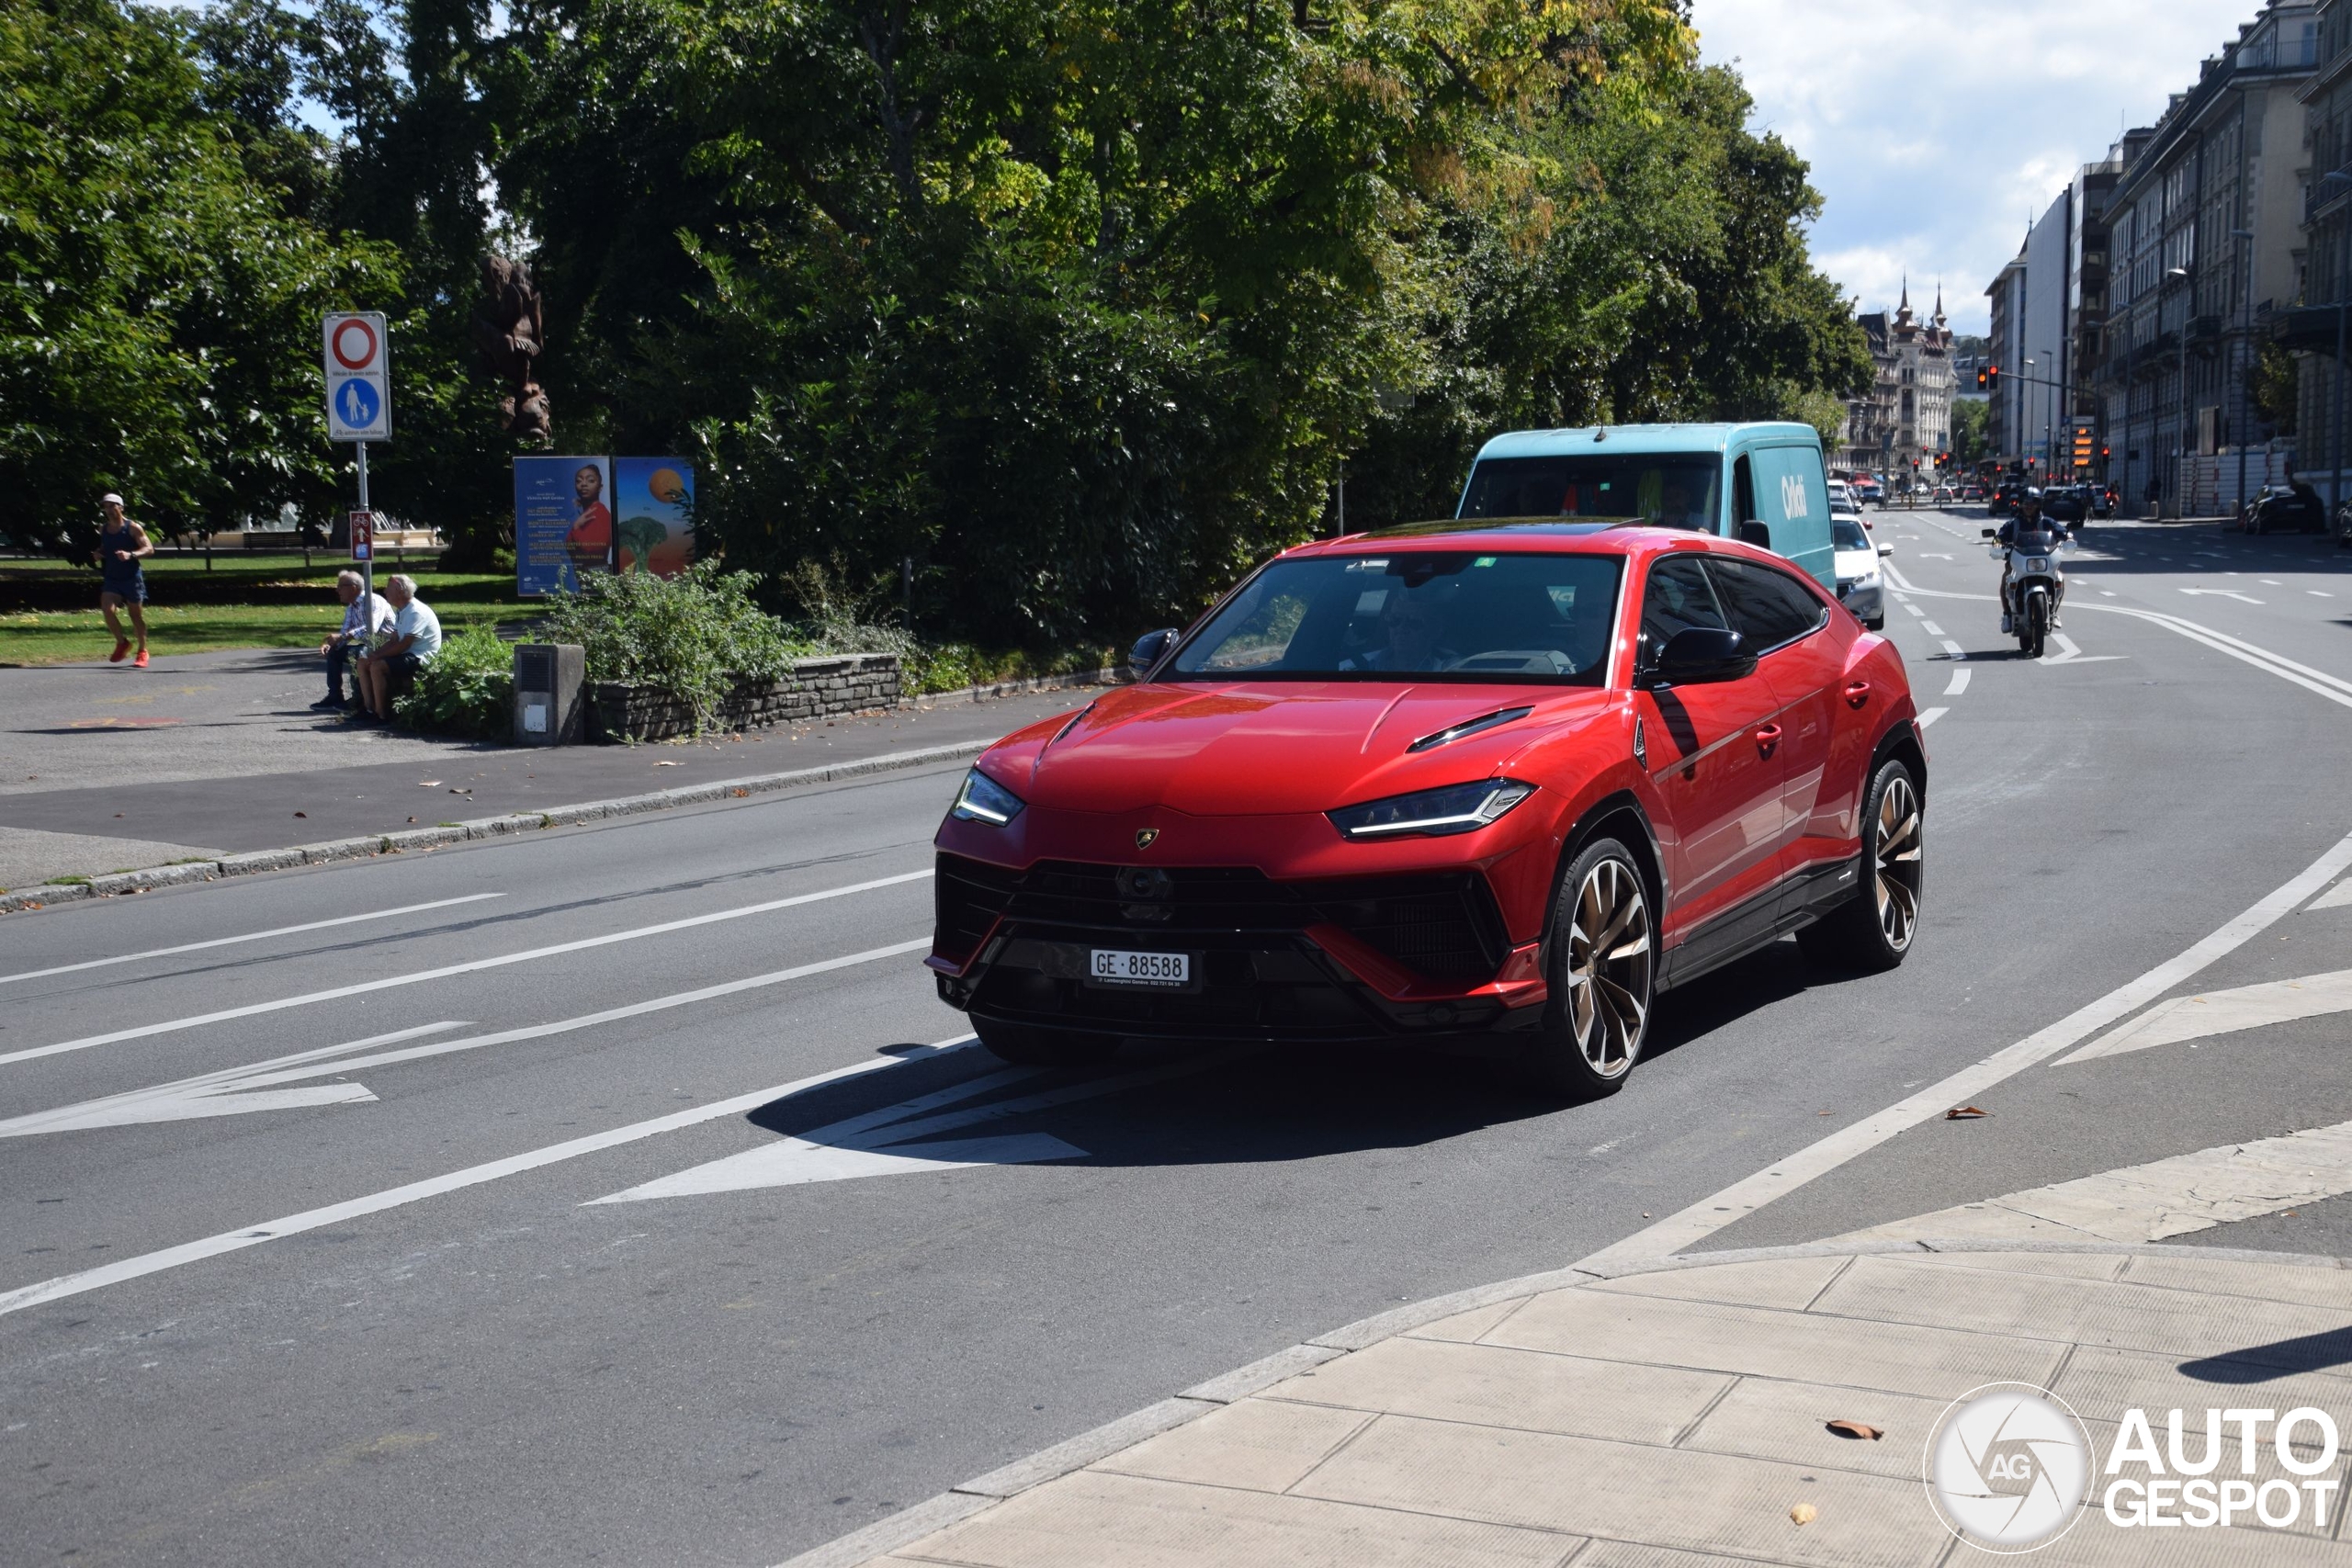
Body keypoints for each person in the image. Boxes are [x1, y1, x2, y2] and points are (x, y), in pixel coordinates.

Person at [354, 574, 443, 723]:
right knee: (363, 662)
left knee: (377, 667)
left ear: (400, 592)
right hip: (407, 654)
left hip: (420, 657)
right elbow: (394, 639)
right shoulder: (402, 611)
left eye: (388, 589)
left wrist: (378, 658)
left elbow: (404, 644)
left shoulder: (416, 611)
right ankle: (368, 709)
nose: (385, 592)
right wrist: (375, 654)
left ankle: (380, 714)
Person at [315, 570, 392, 712]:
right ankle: (335, 697)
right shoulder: (352, 606)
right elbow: (345, 632)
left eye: (340, 586)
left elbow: (372, 628)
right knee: (334, 652)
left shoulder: (373, 601)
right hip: (369, 644)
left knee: (360, 654)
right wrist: (333, 644)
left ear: (353, 588)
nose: (337, 590)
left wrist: (343, 637)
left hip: (386, 646)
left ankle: (358, 699)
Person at [1995, 488, 2069, 634]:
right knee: (2006, 579)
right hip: (2018, 563)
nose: (2029, 506)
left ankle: (2053, 613)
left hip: (2043, 562)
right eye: (2025, 502)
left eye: (2033, 502)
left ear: (2039, 504)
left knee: (2060, 578)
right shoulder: (2013, 524)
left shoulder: (2047, 522)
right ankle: (2008, 616)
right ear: (2020, 504)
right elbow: (2000, 536)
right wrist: (1997, 543)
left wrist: (2069, 537)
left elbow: (2062, 532)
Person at [92, 492, 153, 667]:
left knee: (135, 616)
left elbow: (148, 549)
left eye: (112, 506)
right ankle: (122, 642)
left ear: (121, 507)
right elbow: (106, 546)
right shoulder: (103, 529)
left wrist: (131, 554)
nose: (109, 510)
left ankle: (142, 651)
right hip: (112, 578)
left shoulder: (133, 528)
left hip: (132, 578)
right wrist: (99, 553)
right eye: (106, 506)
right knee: (107, 609)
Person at [562, 464, 612, 587]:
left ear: (600, 487)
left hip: (596, 575)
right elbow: (570, 546)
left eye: (590, 480)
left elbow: (590, 549)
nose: (583, 484)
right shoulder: (586, 514)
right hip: (585, 575)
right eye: (579, 481)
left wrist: (576, 528)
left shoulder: (600, 513)